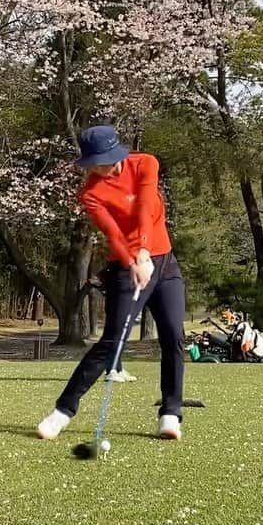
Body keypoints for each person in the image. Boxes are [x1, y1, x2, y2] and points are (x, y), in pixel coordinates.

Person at [37, 125, 185, 442]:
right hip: (127, 266)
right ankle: (62, 411)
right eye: (94, 162)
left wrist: (145, 250)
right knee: (111, 342)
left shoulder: (146, 163)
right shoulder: (91, 192)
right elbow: (113, 234)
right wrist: (133, 261)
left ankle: (171, 414)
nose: (99, 168)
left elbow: (146, 205)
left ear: (118, 153)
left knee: (173, 335)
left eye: (104, 161)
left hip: (164, 263)